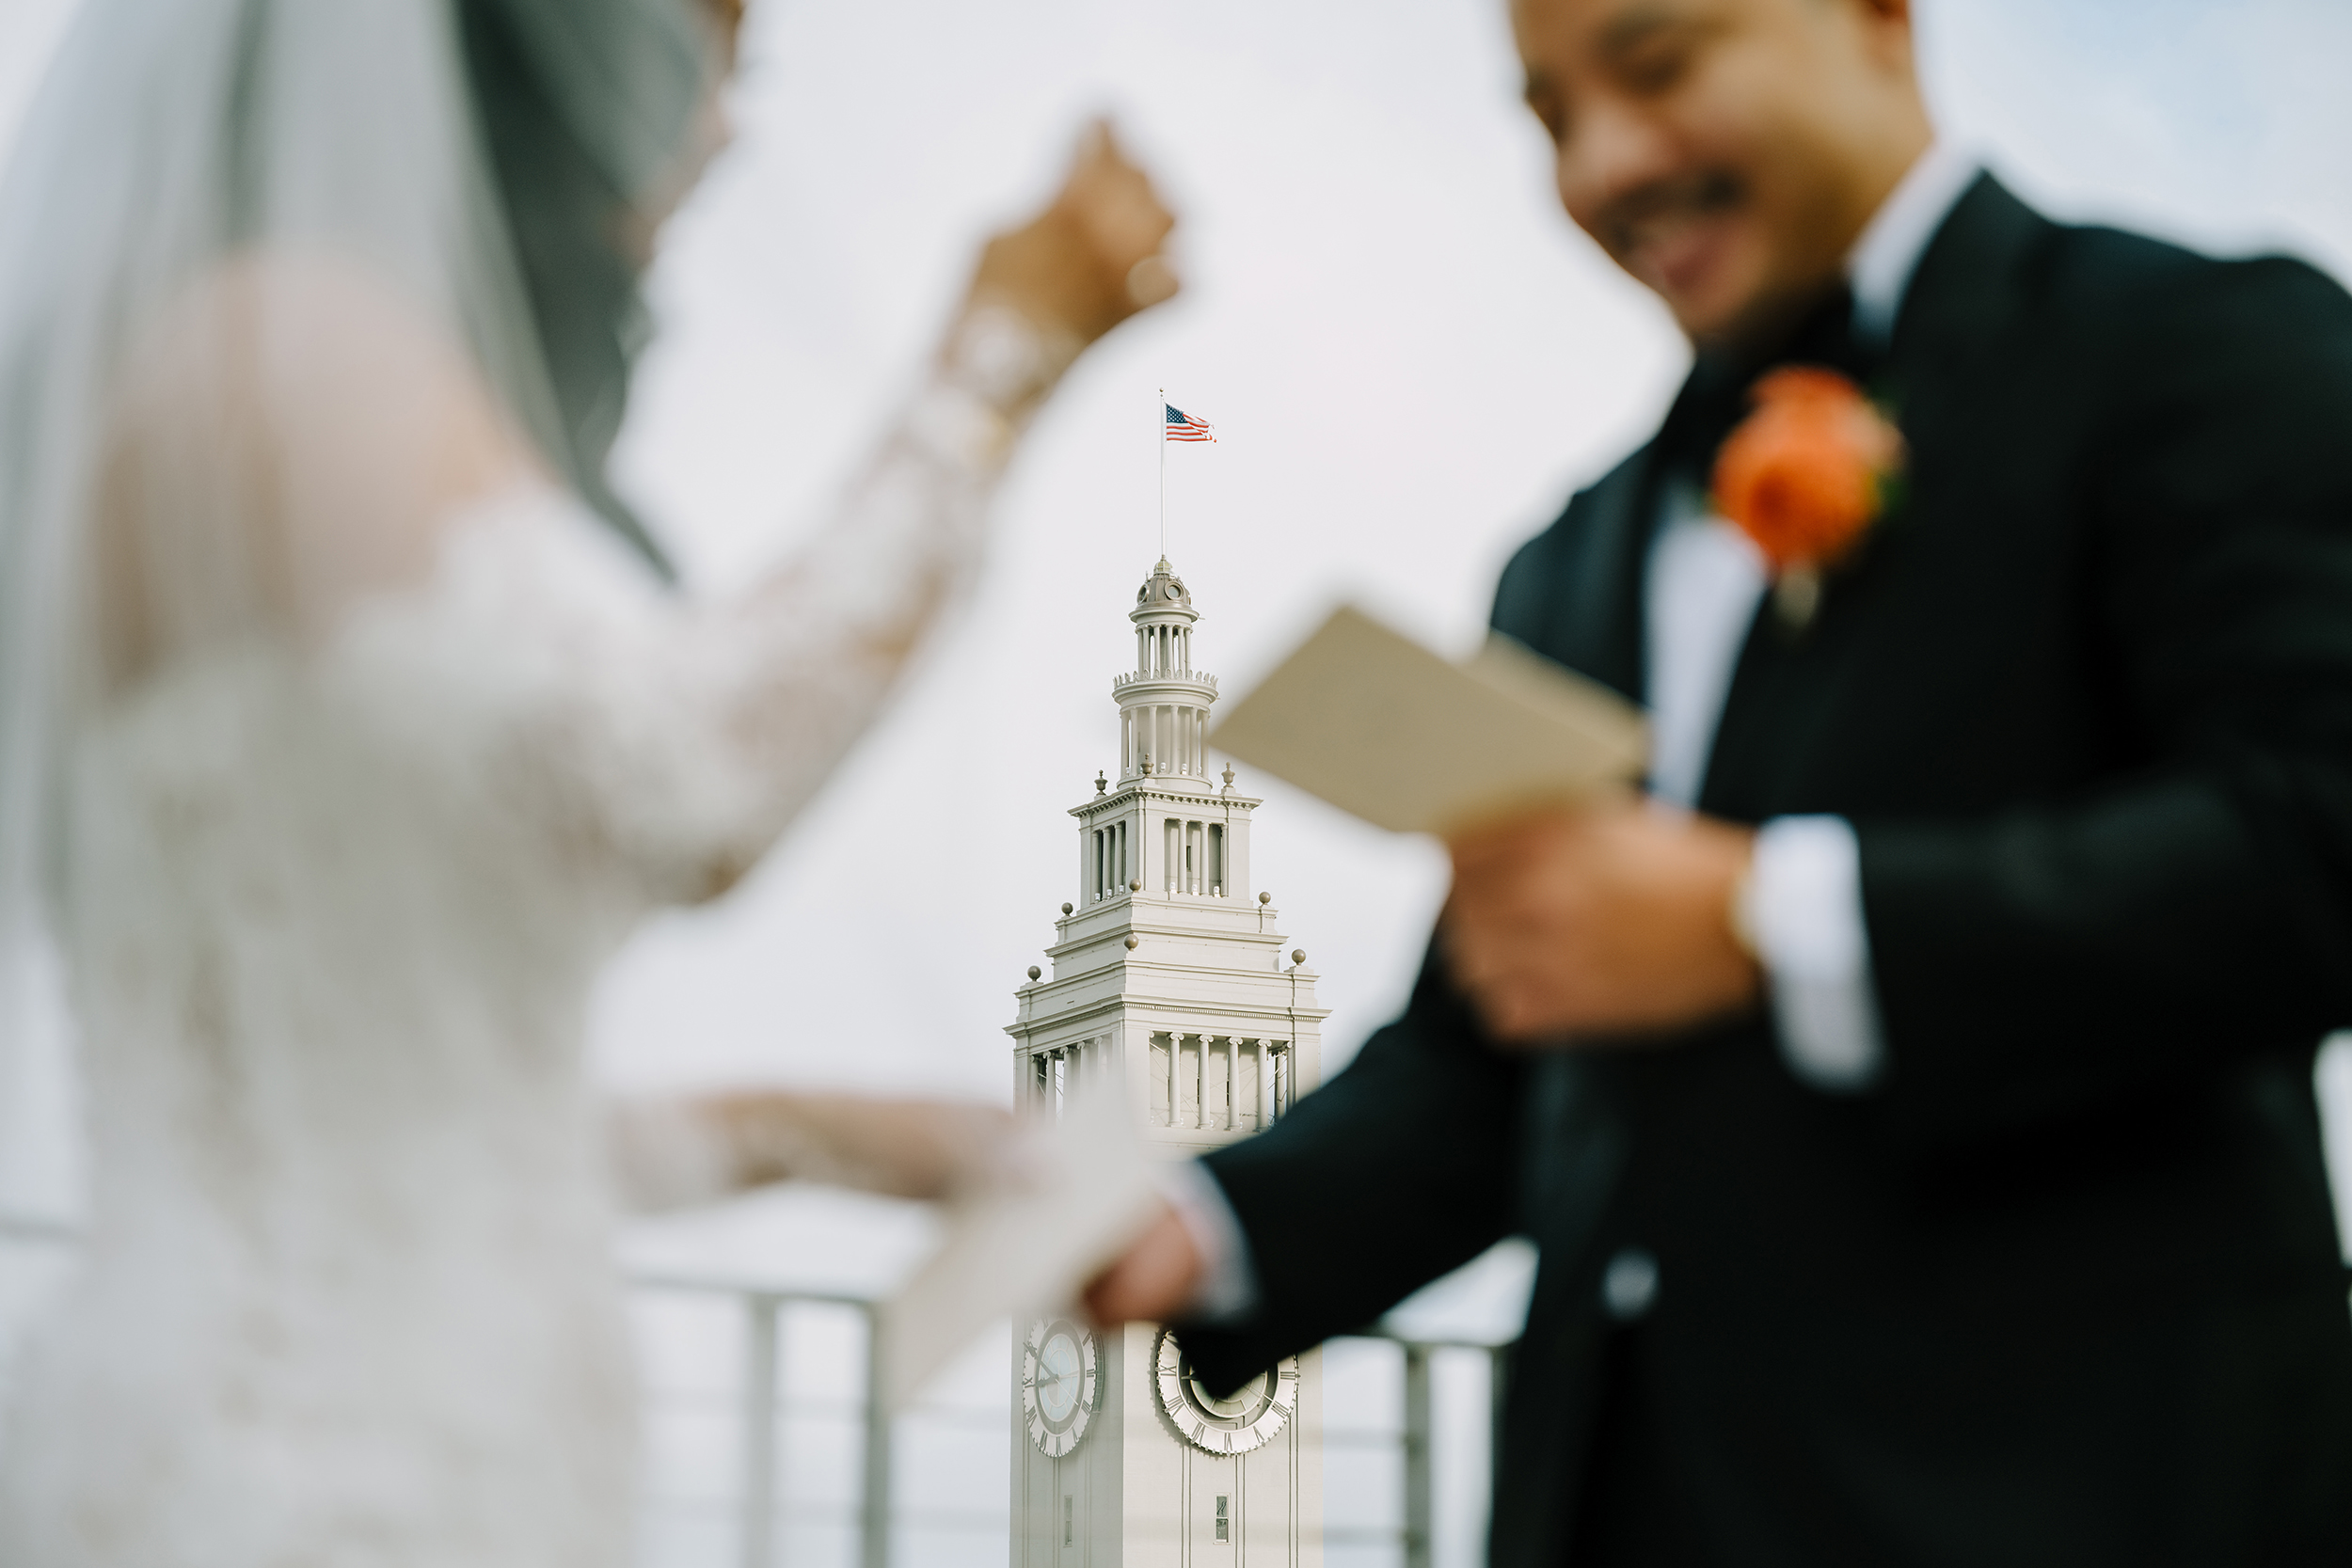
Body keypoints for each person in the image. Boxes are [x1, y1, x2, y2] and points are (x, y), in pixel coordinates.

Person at [1089, 0, 2352, 1561]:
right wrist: (1186, 1230)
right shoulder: (1564, 562)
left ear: (1882, 21)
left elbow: (2321, 832)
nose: (1606, 162)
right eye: (1549, 116)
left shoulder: (2200, 346)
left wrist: (1771, 923)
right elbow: (1498, 1049)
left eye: (1659, 62)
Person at [0, 0, 1174, 1562]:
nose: (728, 126)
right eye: (709, 47)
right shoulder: (295, 344)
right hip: (332, 1491)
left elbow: (406, 1131)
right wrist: (995, 356)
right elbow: (695, 777)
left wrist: (817, 1132)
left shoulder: (228, 365)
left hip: (321, 1449)